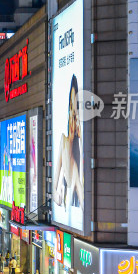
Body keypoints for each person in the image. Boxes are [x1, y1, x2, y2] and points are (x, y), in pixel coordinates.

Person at [52, 75, 84, 214]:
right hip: (67, 209)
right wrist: (57, 192)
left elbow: (85, 201)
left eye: (76, 109)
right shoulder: (63, 142)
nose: (73, 114)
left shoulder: (83, 145)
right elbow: (54, 194)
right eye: (71, 107)